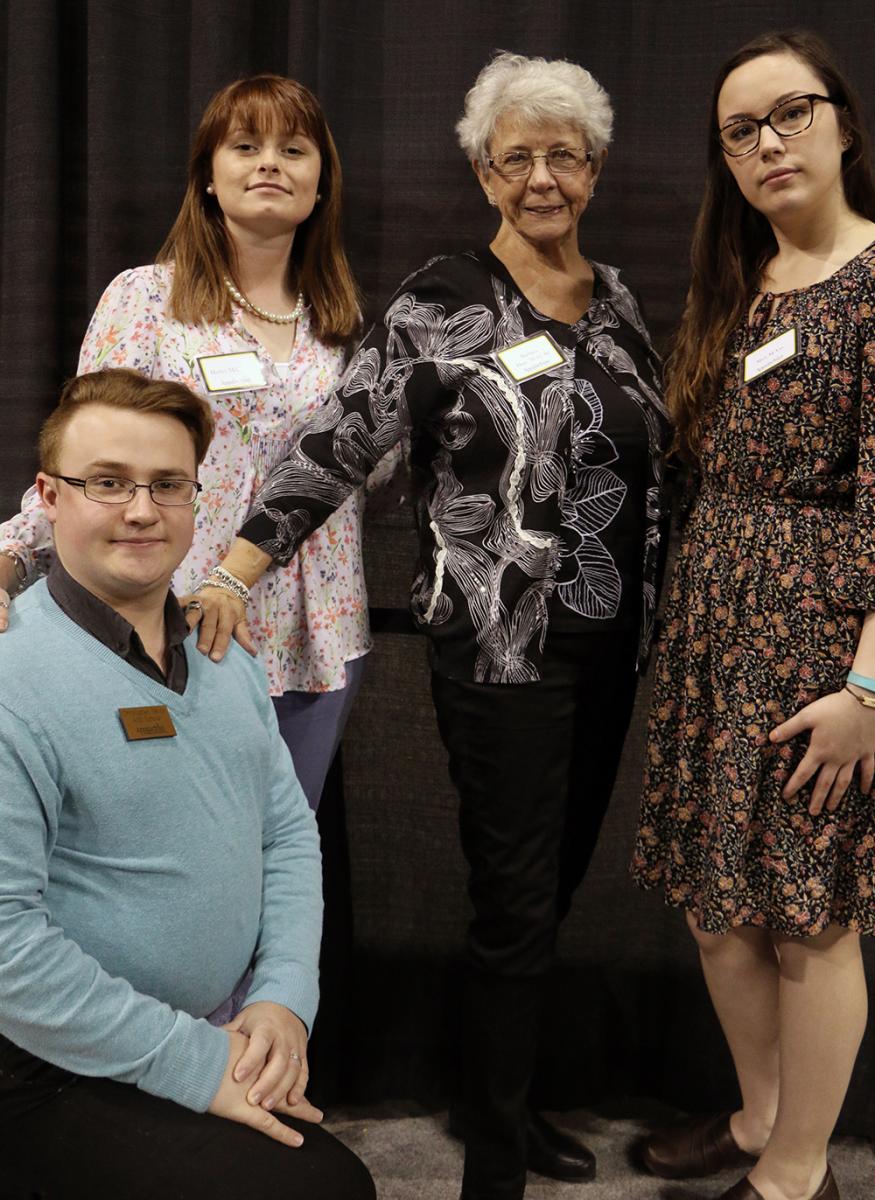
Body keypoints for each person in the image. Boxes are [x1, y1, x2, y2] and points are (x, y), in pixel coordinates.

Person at [187, 50, 671, 1200]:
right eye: (518, 157)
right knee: (511, 902)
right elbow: (340, 440)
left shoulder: (618, 297)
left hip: (610, 650)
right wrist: (237, 568)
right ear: (484, 171)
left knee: (548, 893)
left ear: (593, 169)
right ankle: (491, 1168)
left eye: (564, 155)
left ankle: (488, 1097)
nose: (542, 176)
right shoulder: (444, 296)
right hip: (499, 648)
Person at [0, 368, 375, 1200]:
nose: (141, 510)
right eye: (106, 483)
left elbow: (284, 835)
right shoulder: (11, 677)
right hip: (35, 1064)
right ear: (48, 498)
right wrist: (203, 1069)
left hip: (193, 1032)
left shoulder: (221, 651)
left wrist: (282, 999)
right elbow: (4, 950)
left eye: (167, 484)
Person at [631, 29, 875, 1200]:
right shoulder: (736, 279)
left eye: (789, 113)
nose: (768, 142)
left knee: (805, 917)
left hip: (824, 650)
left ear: (840, 124)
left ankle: (794, 1176)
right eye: (741, 129)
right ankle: (757, 1116)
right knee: (716, 905)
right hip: (713, 634)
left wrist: (865, 695)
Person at [0, 73, 368, 811]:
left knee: (281, 854)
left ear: (321, 184)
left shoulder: (347, 328)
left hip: (317, 638)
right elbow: (82, 459)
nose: (269, 163)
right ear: (206, 176)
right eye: (245, 145)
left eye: (293, 149)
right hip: (176, 624)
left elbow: (362, 476)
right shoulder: (145, 298)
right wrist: (10, 556)